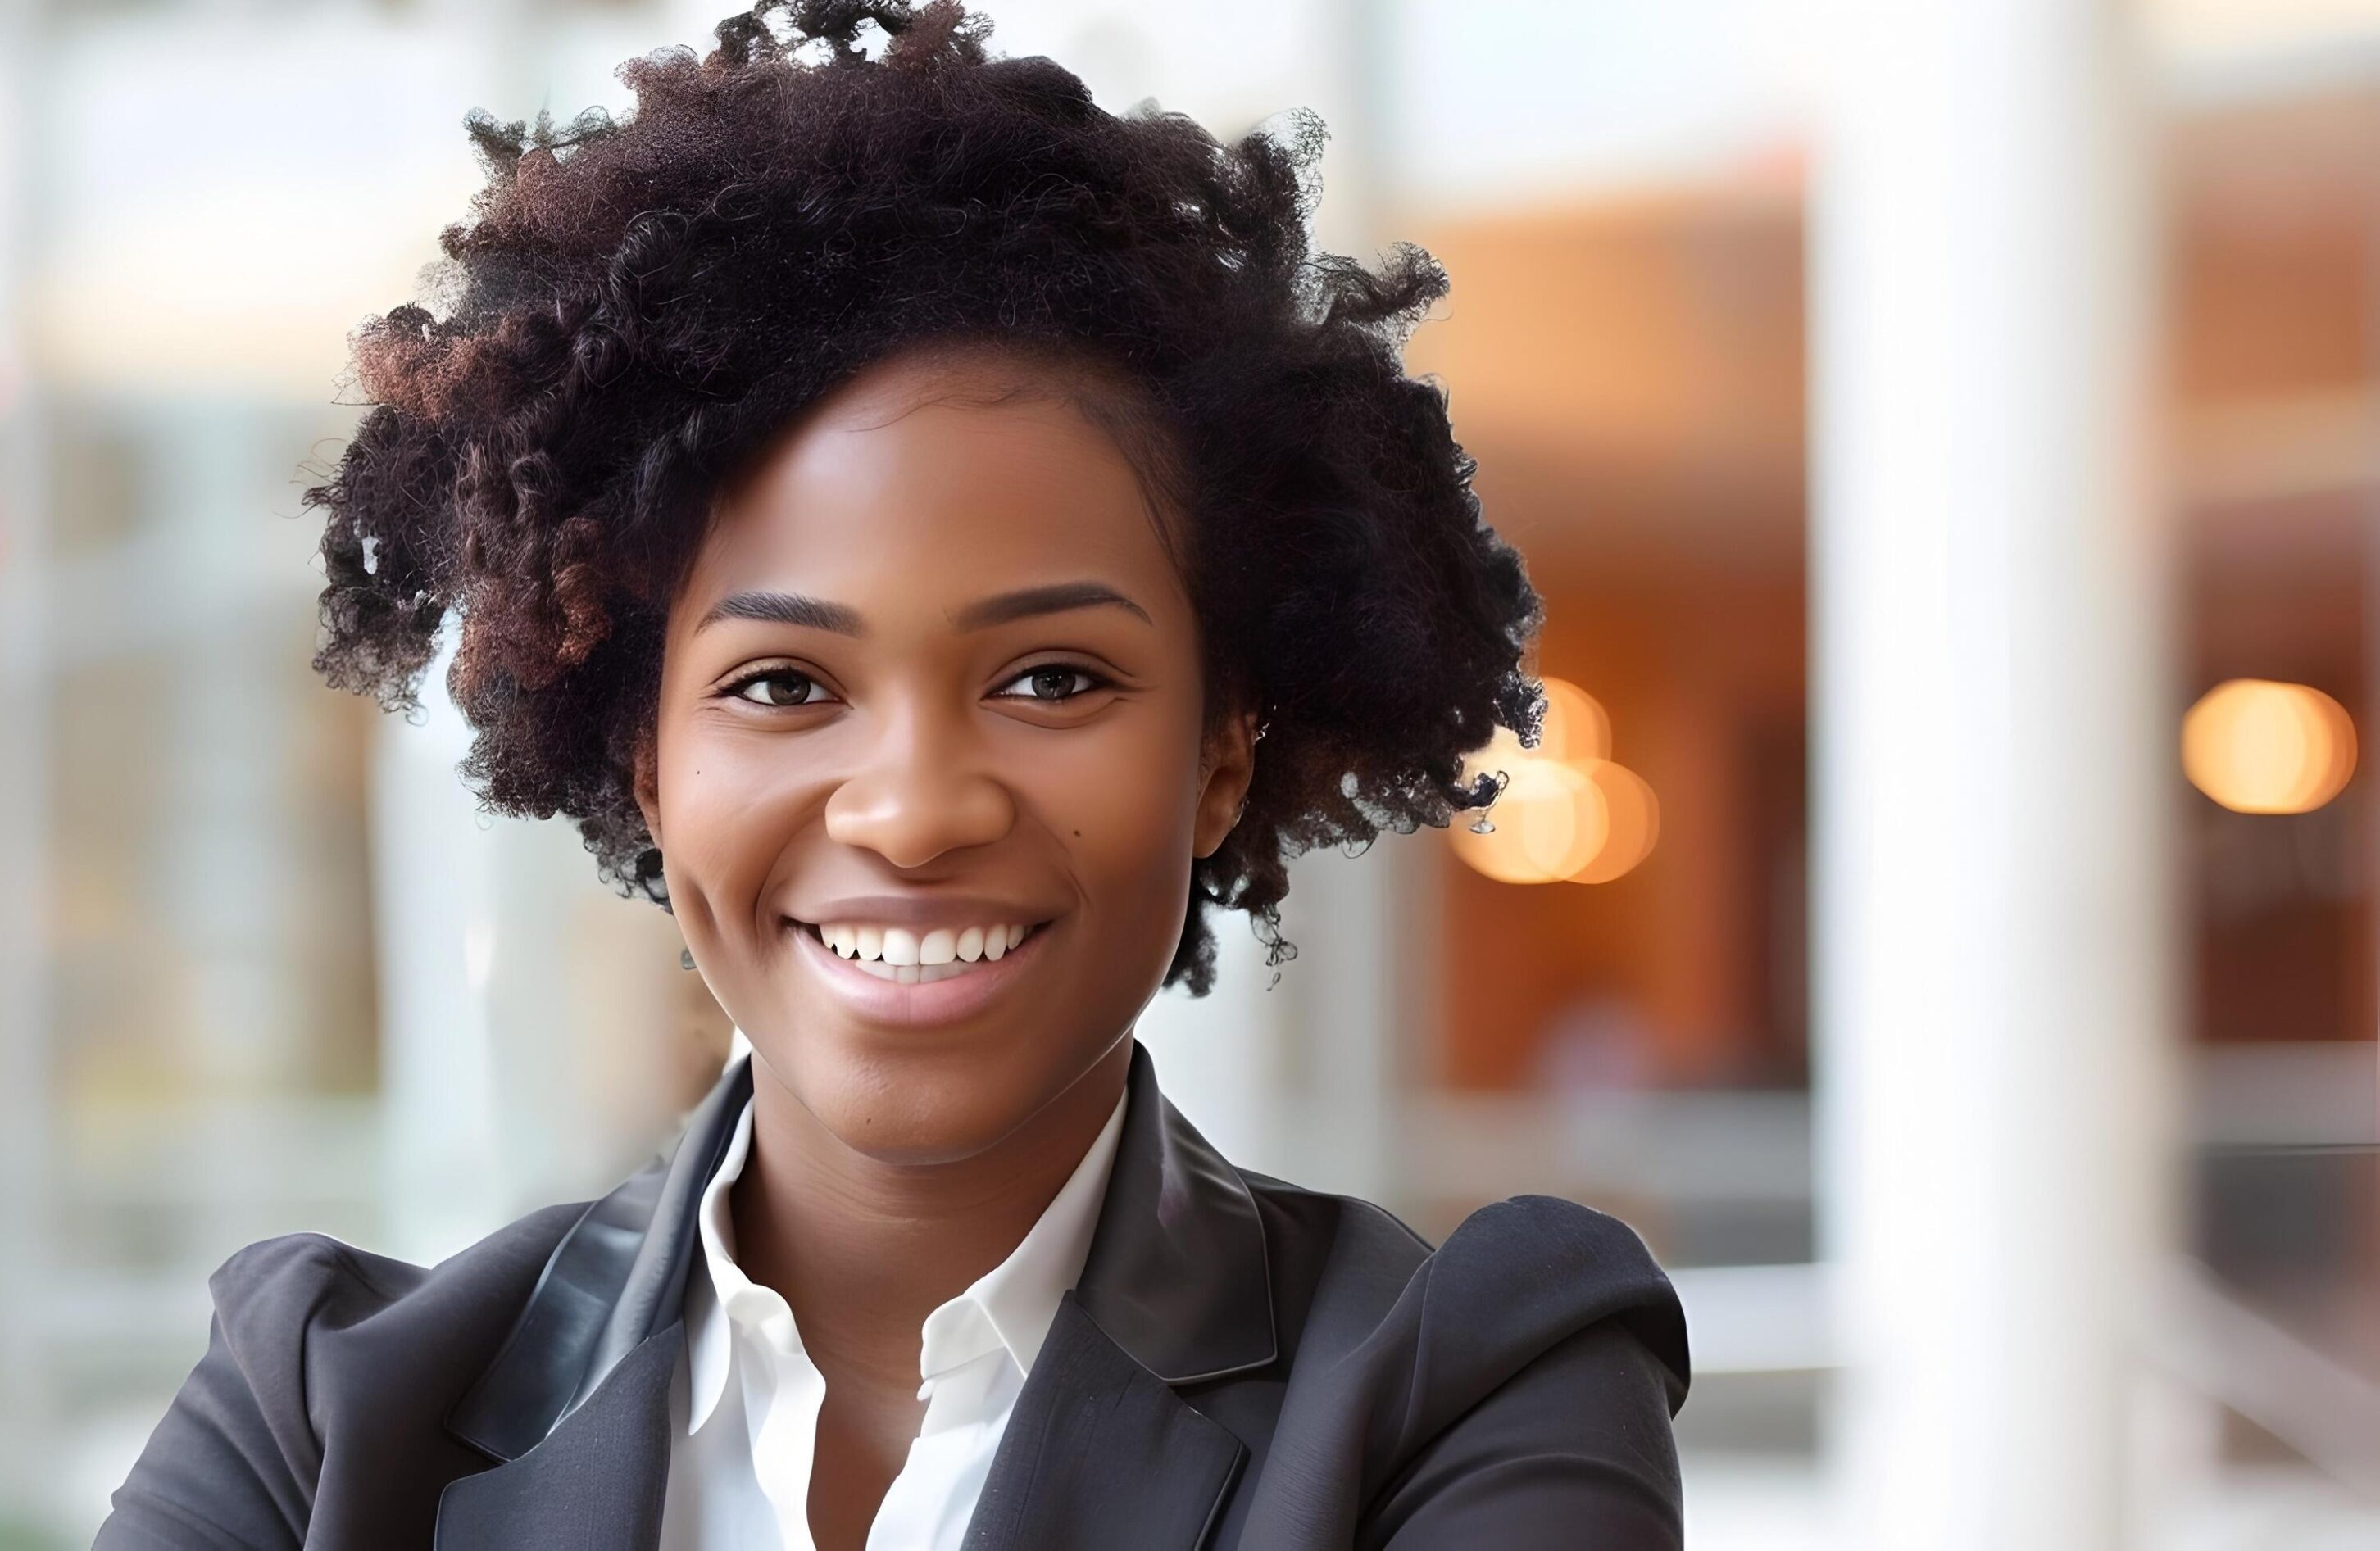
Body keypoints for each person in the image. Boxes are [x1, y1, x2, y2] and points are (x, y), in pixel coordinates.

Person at [90, 2, 1688, 1547]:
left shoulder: (1470, 1395)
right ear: (644, 759)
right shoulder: (311, 1418)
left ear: (1218, 755)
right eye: (783, 684)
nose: (915, 809)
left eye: (1051, 677)